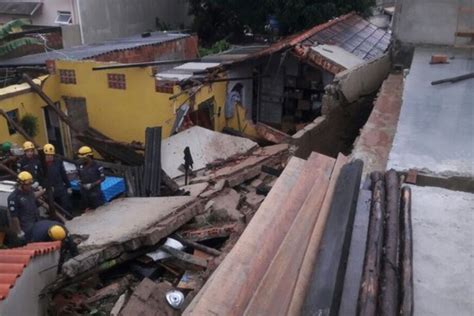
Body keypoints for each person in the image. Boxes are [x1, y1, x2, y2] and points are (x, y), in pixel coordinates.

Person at [7, 171, 45, 242]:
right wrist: (19, 232)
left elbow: (33, 195)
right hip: (26, 228)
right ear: (21, 184)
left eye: (31, 183)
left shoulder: (29, 191)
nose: (29, 186)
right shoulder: (14, 197)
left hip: (35, 223)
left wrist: (42, 191)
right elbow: (14, 217)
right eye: (28, 184)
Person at [43, 144, 72, 211]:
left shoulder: (58, 162)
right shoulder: (41, 164)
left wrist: (68, 186)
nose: (49, 157)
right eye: (47, 155)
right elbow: (40, 177)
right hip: (49, 190)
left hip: (60, 187)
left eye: (51, 155)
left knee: (66, 205)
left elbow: (63, 174)